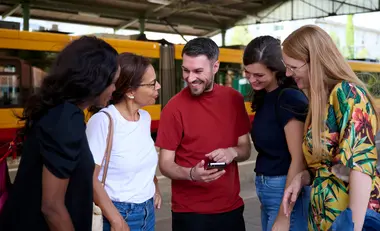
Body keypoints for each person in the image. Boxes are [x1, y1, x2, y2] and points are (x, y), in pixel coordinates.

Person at [0, 36, 120, 231]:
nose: (114, 90)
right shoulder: (66, 119)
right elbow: (52, 207)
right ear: (95, 80)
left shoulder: (58, 111)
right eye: (113, 82)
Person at [281, 25, 380, 231]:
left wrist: (353, 227)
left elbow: (360, 168)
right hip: (324, 219)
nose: (288, 73)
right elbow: (327, 166)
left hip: (350, 221)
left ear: (314, 61)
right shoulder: (321, 102)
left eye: (293, 67)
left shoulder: (347, 93)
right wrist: (303, 177)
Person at [155, 37, 252, 231]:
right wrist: (192, 174)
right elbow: (165, 164)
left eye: (198, 71)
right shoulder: (173, 108)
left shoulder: (234, 100)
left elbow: (245, 149)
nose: (190, 78)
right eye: (185, 70)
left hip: (231, 209)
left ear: (215, 66)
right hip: (190, 214)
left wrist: (232, 152)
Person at [86, 52, 162, 231]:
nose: (158, 86)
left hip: (147, 213)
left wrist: (155, 188)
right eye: (152, 84)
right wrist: (116, 220)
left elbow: (142, 159)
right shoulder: (103, 121)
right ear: (130, 91)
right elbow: (89, 178)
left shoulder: (144, 118)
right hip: (117, 215)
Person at [243, 36, 309, 231]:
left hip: (285, 189)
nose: (252, 79)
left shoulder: (288, 98)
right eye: (247, 72)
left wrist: (283, 216)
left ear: (276, 71)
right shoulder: (265, 96)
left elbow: (298, 159)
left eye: (259, 75)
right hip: (268, 188)